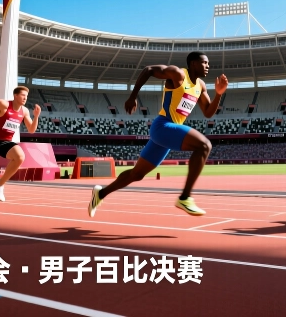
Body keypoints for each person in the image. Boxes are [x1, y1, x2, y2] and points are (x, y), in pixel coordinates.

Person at [88, 52, 228, 217]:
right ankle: (185, 198)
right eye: (204, 62)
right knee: (204, 145)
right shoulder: (178, 74)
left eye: (208, 63)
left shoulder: (201, 86)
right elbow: (148, 69)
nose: (208, 66)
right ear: (193, 63)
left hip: (169, 133)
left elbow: (208, 112)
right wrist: (133, 97)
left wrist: (219, 94)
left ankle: (100, 193)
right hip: (163, 126)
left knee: (137, 174)